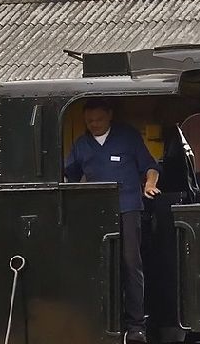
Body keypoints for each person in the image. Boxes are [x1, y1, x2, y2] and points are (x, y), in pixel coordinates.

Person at [63, 99, 160, 343]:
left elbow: (150, 166)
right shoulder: (81, 145)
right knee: (100, 266)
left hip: (128, 208)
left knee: (130, 264)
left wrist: (149, 184)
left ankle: (137, 326)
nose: (94, 124)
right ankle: (102, 322)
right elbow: (69, 175)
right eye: (89, 121)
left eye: (98, 119)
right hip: (96, 211)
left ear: (109, 115)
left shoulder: (127, 136)